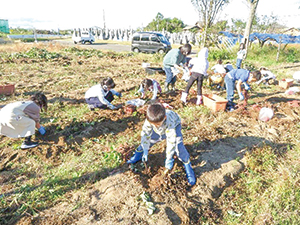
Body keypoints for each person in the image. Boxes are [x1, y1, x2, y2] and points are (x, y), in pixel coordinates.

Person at [127, 103, 196, 186]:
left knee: (179, 147)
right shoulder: (150, 120)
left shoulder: (169, 120)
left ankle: (188, 166)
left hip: (174, 126)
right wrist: (145, 150)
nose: (156, 125)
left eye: (158, 124)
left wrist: (169, 158)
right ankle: (137, 156)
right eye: (153, 124)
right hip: (158, 131)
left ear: (165, 118)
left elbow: (171, 141)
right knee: (147, 142)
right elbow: (145, 135)